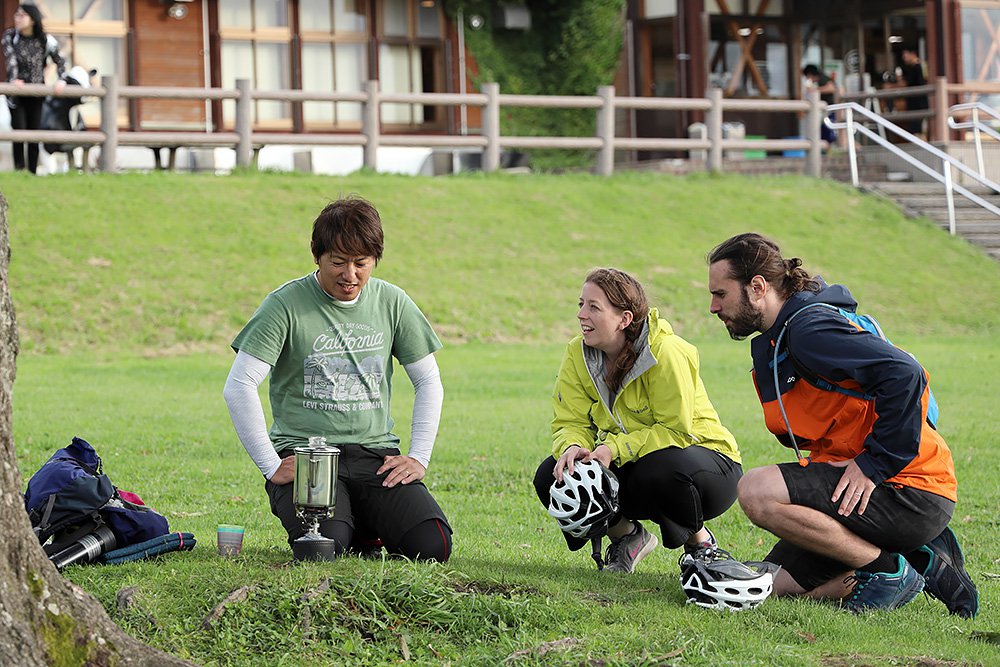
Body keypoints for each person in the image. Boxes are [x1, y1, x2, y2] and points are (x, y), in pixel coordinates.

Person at [706, 233, 978, 616]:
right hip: (867, 490)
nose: (713, 307)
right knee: (769, 583)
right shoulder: (782, 335)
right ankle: (920, 558)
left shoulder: (809, 330)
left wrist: (873, 465)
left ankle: (887, 570)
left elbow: (905, 374)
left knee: (757, 491)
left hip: (904, 487)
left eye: (720, 293)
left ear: (756, 287)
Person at [223, 196, 452, 562]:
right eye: (338, 262)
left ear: (375, 259)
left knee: (432, 546)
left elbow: (429, 381)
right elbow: (239, 385)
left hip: (375, 455)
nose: (350, 275)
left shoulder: (393, 302)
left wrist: (418, 457)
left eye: (361, 263)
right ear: (317, 255)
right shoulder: (284, 304)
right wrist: (270, 465)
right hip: (307, 457)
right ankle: (351, 525)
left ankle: (362, 520)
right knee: (325, 548)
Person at [533, 268, 743, 573]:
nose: (581, 315)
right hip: (641, 460)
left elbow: (675, 430)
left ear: (625, 319)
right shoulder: (577, 354)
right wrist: (574, 445)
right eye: (580, 304)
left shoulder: (665, 352)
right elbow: (570, 419)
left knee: (660, 469)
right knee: (553, 476)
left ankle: (701, 547)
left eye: (594, 307)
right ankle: (627, 538)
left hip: (709, 465)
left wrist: (613, 449)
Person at [2, 4, 66, 174]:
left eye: (22, 15)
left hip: (37, 92)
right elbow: (11, 60)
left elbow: (60, 60)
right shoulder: (10, 36)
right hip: (16, 92)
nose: (18, 18)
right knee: (19, 130)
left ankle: (31, 171)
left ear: (32, 19)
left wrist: (61, 80)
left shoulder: (45, 39)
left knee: (34, 131)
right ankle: (19, 170)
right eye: (17, 15)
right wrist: (15, 80)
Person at [802, 64, 837, 147]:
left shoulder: (822, 78)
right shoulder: (819, 80)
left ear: (810, 74)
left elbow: (832, 88)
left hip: (830, 110)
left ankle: (829, 149)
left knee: (828, 132)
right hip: (825, 111)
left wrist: (814, 90)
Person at [898, 46, 929, 136]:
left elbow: (907, 83)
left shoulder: (917, 67)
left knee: (917, 128)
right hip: (917, 102)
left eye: (905, 54)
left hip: (918, 102)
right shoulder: (918, 66)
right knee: (917, 127)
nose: (904, 57)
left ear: (913, 54)